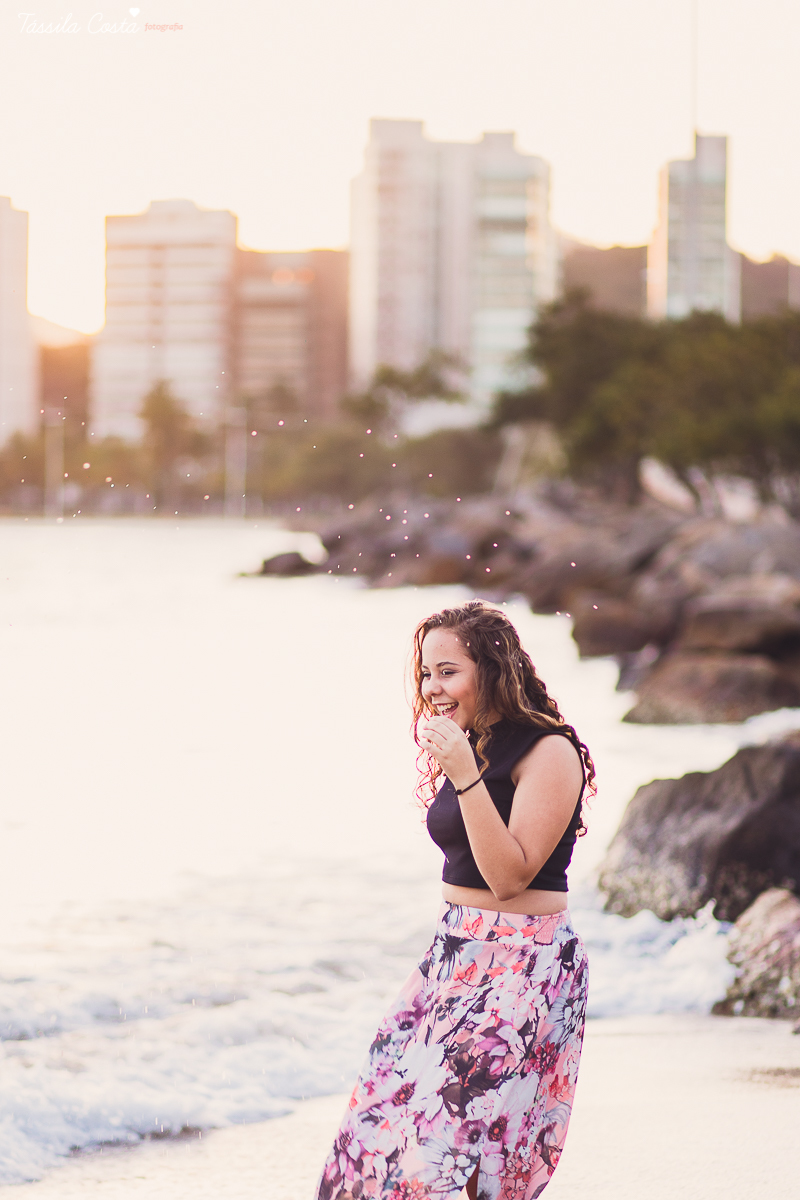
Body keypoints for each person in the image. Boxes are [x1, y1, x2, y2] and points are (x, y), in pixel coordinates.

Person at [315, 600, 594, 1200]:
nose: (433, 688)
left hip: (524, 966)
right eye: (426, 673)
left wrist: (465, 774)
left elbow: (509, 879)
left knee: (457, 1153)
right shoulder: (476, 743)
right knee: (374, 1125)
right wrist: (465, 763)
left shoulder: (548, 752)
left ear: (491, 668)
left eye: (448, 671)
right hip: (454, 954)